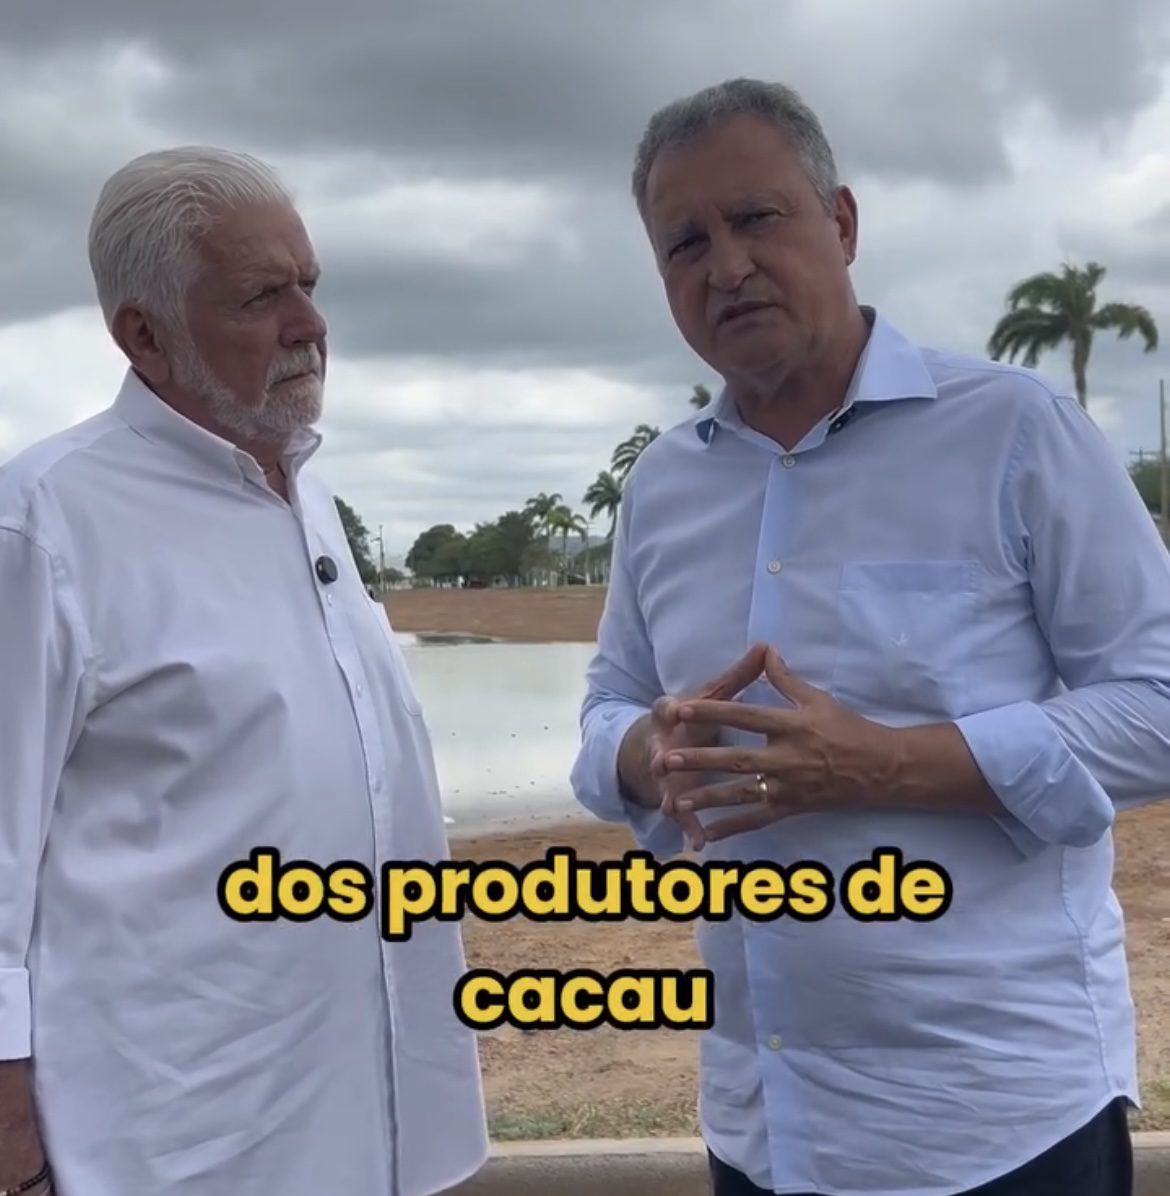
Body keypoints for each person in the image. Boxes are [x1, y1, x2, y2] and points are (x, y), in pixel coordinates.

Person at [571, 78, 1170, 1196]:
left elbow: (1160, 703)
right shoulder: (661, 485)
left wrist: (884, 762)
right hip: (760, 1124)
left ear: (841, 223)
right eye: (685, 242)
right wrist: (647, 751)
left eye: (756, 217)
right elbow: (609, 702)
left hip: (998, 1122)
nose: (726, 266)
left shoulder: (1014, 430)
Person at [0, 147, 488, 1196]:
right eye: (262, 296)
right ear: (143, 334)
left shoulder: (305, 494)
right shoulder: (44, 522)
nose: (309, 323)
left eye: (309, 284)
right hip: (169, 1141)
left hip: (360, 1112)